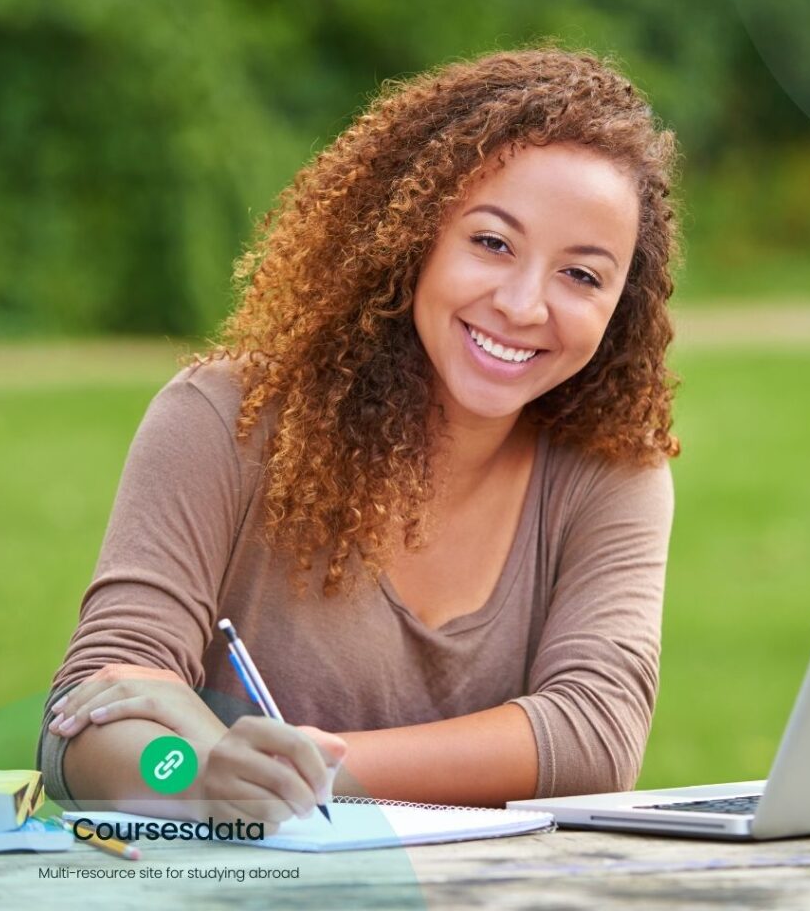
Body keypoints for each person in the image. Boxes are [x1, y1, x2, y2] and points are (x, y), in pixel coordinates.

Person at [37, 48, 680, 828]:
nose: (522, 304)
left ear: (622, 305)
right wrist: (195, 775)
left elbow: (593, 739)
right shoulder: (225, 419)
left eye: (581, 276)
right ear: (412, 236)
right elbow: (87, 724)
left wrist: (304, 767)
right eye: (492, 243)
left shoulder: (607, 472)